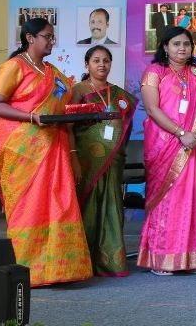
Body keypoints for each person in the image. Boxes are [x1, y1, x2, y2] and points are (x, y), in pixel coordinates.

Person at [0, 18, 92, 286]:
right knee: (29, 208)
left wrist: (84, 114)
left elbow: (60, 109)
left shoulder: (52, 72)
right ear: (30, 38)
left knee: (57, 205)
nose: (52, 41)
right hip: (23, 150)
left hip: (53, 148)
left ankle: (58, 270)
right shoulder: (14, 66)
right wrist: (32, 117)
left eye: (53, 36)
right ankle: (27, 270)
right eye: (47, 36)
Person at [138, 26, 196, 275]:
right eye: (176, 44)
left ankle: (187, 259)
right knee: (166, 199)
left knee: (186, 199)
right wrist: (182, 134)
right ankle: (161, 259)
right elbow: (152, 109)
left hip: (192, 144)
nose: (182, 48)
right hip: (164, 145)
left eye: (186, 44)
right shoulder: (155, 72)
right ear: (165, 47)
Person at [68, 45, 137, 277]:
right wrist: (73, 155)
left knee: (112, 205)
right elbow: (68, 126)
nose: (101, 65)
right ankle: (83, 262)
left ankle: (110, 262)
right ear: (86, 64)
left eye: (106, 60)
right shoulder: (78, 90)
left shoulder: (116, 93)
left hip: (112, 159)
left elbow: (125, 126)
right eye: (96, 60)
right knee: (87, 206)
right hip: (87, 160)